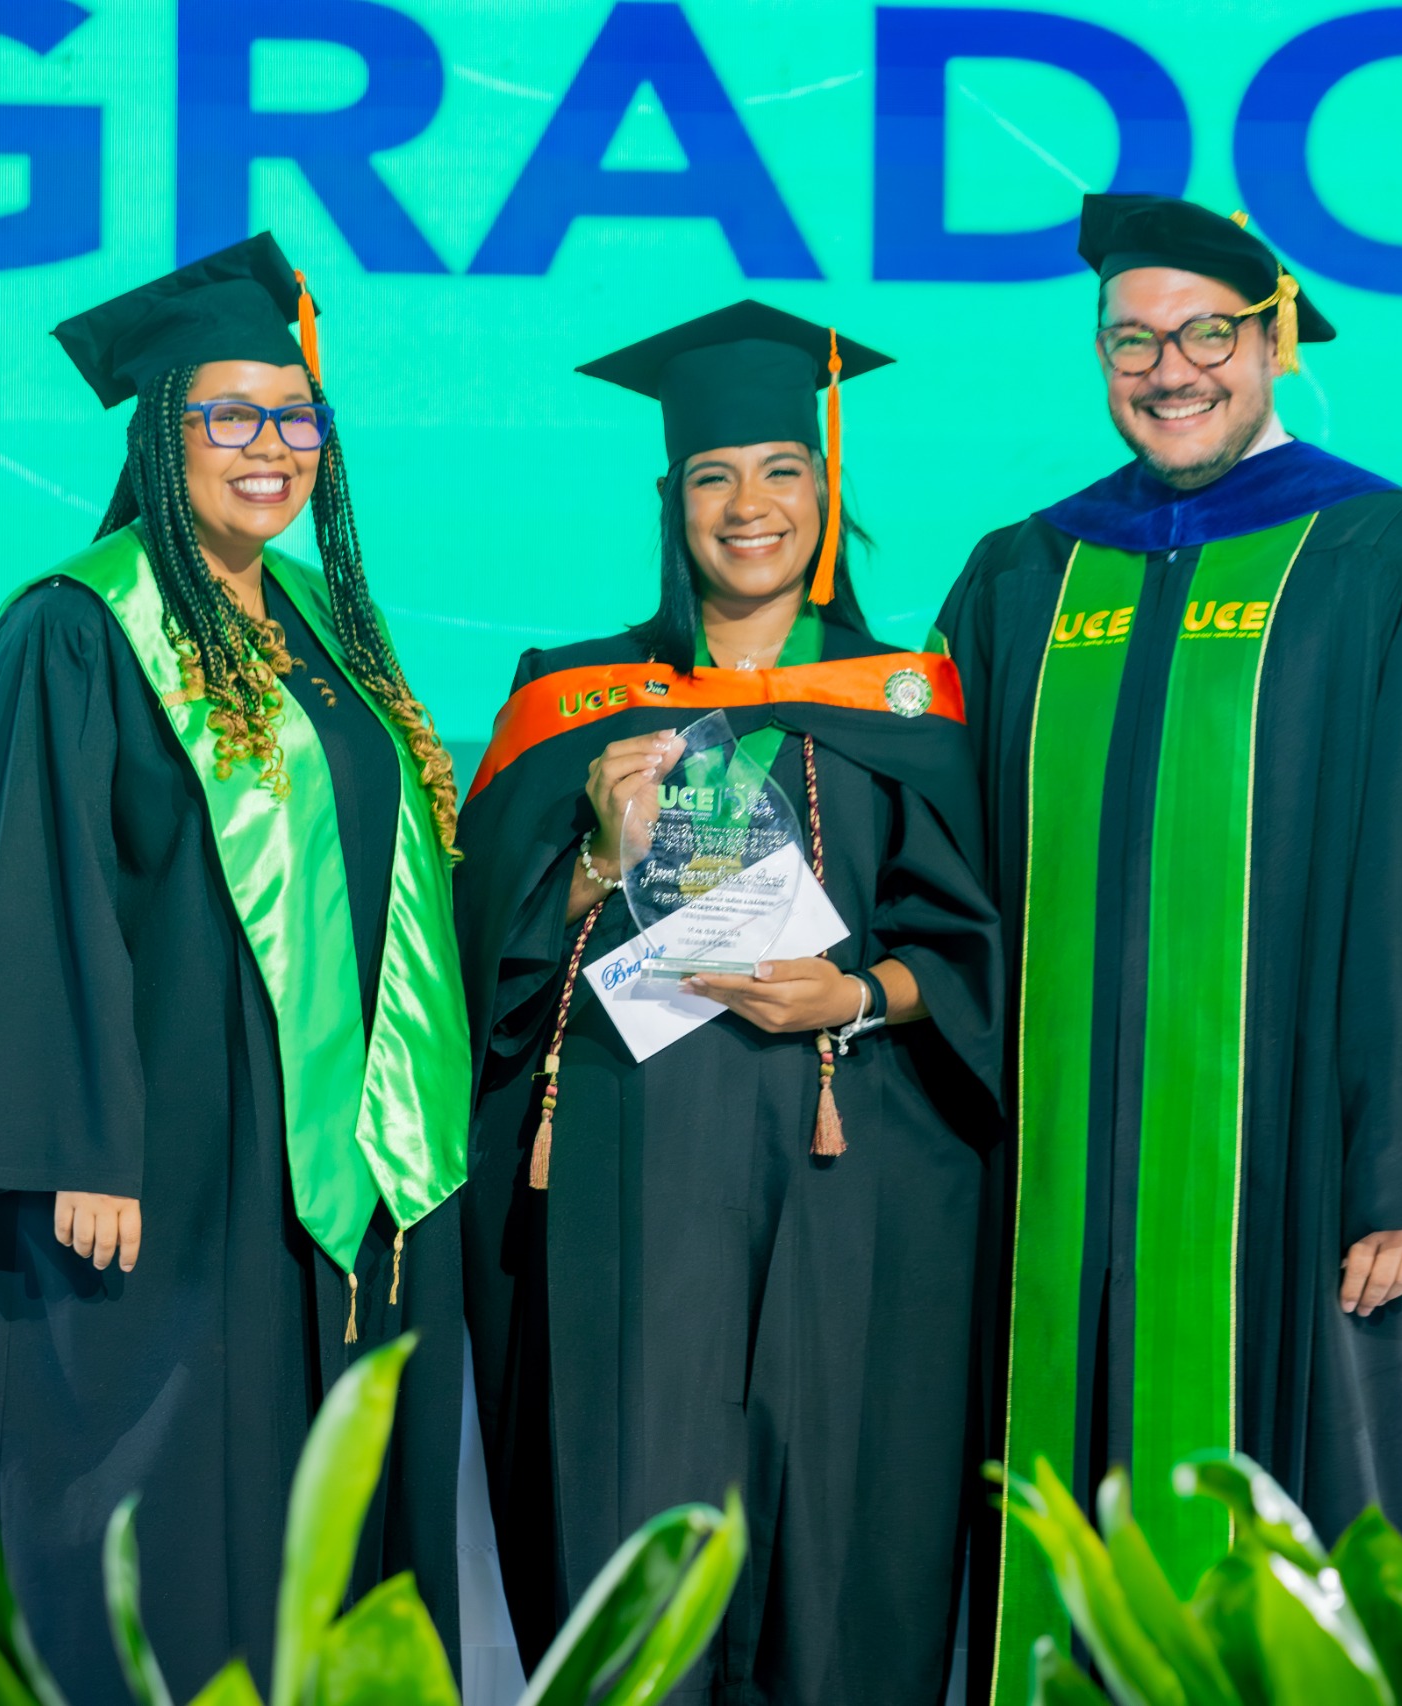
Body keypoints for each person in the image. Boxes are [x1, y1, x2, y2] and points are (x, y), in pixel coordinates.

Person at [935, 194, 1402, 1693]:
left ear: (1278, 341)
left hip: (1317, 1196)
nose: (1168, 367)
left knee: (1325, 1587)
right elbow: (937, 884)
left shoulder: (1397, 560)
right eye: (1133, 338)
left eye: (1208, 333)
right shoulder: (1024, 576)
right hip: (1057, 1211)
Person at [0, 234, 471, 1705]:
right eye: (228, 414)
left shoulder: (317, 624)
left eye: (294, 416)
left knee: (323, 1523)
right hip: (164, 1173)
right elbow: (35, 895)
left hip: (335, 1177)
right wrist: (76, 1147)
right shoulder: (80, 623)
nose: (270, 447)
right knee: (176, 1524)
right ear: (159, 429)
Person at [456, 301, 1003, 1705]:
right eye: (714, 476)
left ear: (826, 493)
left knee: (841, 1518)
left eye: (780, 471)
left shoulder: (916, 705)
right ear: (668, 500)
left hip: (855, 1181)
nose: (749, 506)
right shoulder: (573, 702)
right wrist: (592, 854)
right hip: (640, 1189)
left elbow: (985, 948)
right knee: (642, 1518)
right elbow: (478, 961)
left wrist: (855, 988)